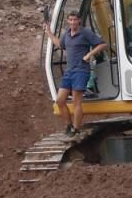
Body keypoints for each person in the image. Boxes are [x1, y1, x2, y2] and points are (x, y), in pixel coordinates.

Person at [43, 11, 107, 140]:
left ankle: (76, 129)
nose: (72, 22)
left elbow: (102, 44)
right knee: (60, 101)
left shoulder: (85, 33)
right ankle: (69, 125)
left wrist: (89, 55)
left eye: (75, 20)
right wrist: (48, 32)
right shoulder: (67, 34)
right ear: (68, 21)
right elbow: (60, 45)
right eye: (70, 20)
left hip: (81, 71)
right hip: (69, 72)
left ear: (79, 21)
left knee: (76, 101)